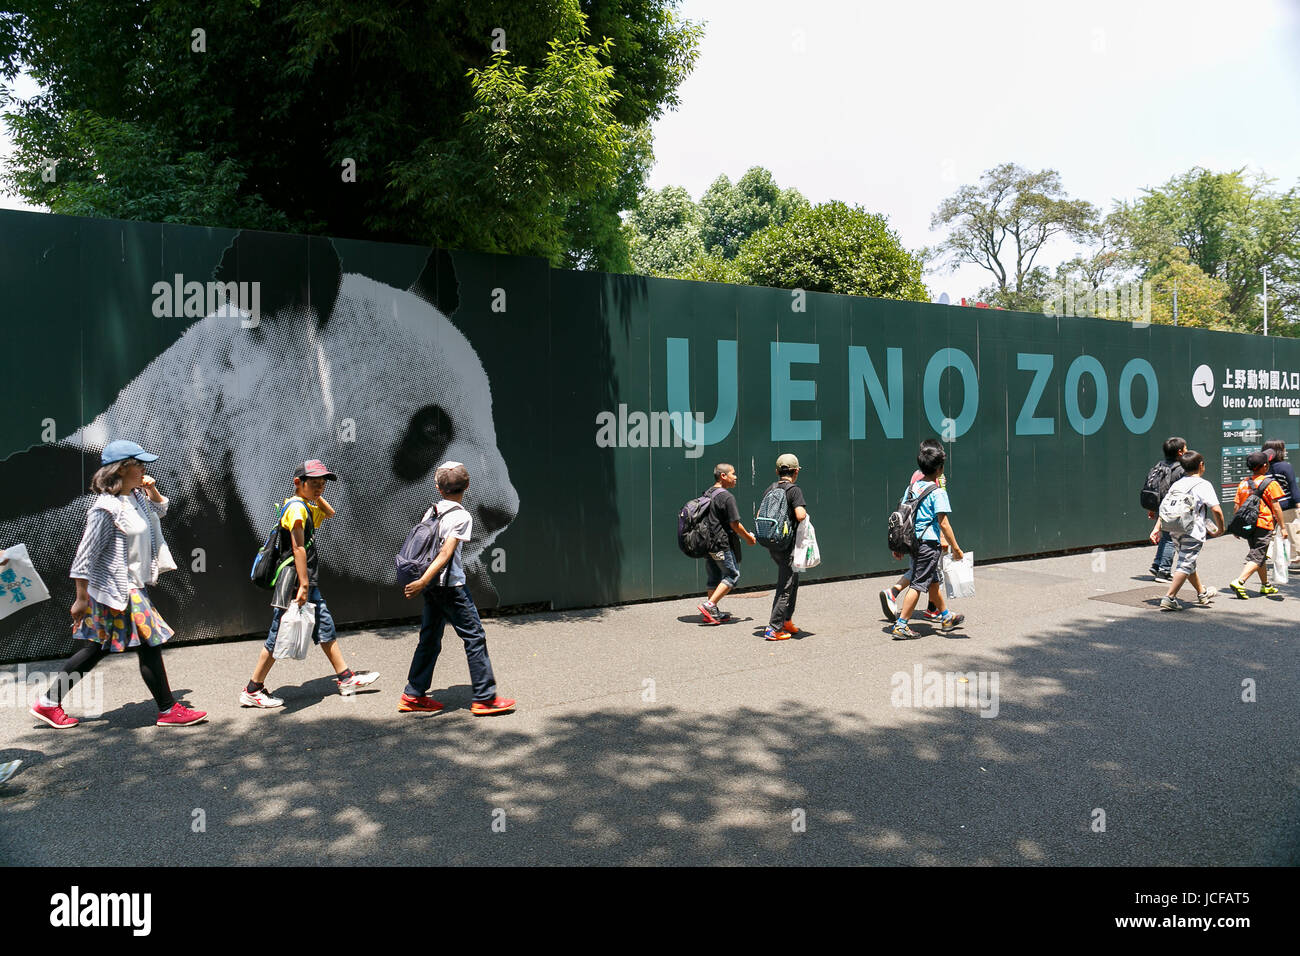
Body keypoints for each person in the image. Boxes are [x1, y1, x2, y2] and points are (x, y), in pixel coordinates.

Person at [28, 440, 207, 729]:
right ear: (122, 469)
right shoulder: (105, 508)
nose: (144, 468)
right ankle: (168, 709)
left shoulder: (136, 497)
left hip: (130, 587)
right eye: (139, 464)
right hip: (116, 590)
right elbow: (84, 557)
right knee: (149, 643)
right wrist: (81, 599)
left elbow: (159, 512)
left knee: (95, 648)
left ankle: (48, 703)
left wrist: (152, 489)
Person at [240, 461, 378, 707]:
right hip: (295, 582)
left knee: (325, 628)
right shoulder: (296, 509)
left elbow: (329, 513)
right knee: (278, 634)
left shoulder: (302, 505)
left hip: (305, 582)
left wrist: (315, 495)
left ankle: (345, 678)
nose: (320, 488)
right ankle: (253, 689)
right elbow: (298, 547)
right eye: (314, 483)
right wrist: (303, 585)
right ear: (298, 483)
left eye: (323, 484)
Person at [400, 462, 516, 715]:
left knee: (429, 639)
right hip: (450, 587)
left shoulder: (430, 512)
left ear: (438, 488)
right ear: (467, 486)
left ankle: (413, 694)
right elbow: (445, 554)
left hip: (432, 586)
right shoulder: (462, 516)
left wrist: (423, 581)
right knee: (474, 636)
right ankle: (485, 698)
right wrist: (422, 582)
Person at [891, 442, 966, 640]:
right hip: (928, 545)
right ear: (940, 469)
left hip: (914, 542)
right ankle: (901, 625)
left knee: (933, 582)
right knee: (917, 585)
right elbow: (944, 524)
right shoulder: (937, 492)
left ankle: (946, 617)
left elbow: (902, 513)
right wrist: (956, 549)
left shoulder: (912, 487)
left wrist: (899, 545)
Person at [880, 438, 947, 622]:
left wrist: (899, 545)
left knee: (931, 576)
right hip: (928, 540)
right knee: (919, 580)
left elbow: (904, 513)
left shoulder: (913, 483)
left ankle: (943, 614)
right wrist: (947, 541)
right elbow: (939, 519)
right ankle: (901, 619)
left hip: (914, 538)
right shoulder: (935, 486)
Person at [1148, 451, 1224, 610]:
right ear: (1201, 465)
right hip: (1193, 530)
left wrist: (1157, 529)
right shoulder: (1204, 485)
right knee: (1185, 563)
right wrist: (1220, 529)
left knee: (1189, 562)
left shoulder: (1177, 484)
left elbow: (1166, 508)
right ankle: (1169, 597)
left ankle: (1202, 593)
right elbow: (1216, 510)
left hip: (1175, 529)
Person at [698, 463, 758, 624]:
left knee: (714, 577)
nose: (736, 476)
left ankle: (711, 613)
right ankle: (710, 605)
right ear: (723, 476)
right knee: (732, 575)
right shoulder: (726, 496)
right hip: (721, 543)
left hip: (708, 544)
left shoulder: (708, 493)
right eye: (733, 473)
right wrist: (749, 538)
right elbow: (734, 524)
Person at [1227, 451, 1290, 599]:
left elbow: (1237, 507)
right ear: (1265, 466)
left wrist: (1237, 527)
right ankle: (1239, 581)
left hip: (1248, 525)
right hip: (1264, 523)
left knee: (1258, 553)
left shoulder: (1243, 483)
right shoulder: (1270, 483)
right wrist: (1283, 527)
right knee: (1258, 555)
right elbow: (1276, 507)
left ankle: (1265, 585)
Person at [761, 454, 808, 641]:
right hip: (788, 545)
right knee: (785, 586)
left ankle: (787, 620)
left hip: (773, 542)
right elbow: (800, 515)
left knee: (793, 581)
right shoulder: (794, 490)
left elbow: (760, 514)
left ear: (777, 471)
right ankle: (773, 628)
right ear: (796, 472)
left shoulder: (770, 489)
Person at [1145, 437, 1186, 581]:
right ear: (1180, 452)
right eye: (1185, 448)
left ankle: (1157, 565)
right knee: (1170, 539)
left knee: (1166, 536)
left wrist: (1152, 508)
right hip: (1172, 508)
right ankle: (1164, 570)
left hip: (1159, 505)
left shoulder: (1160, 465)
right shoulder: (1181, 469)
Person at [1263, 440, 1300, 569]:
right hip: (1287, 505)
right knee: (1292, 532)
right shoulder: (1286, 466)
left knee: (1270, 532)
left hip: (1270, 506)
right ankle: (1296, 559)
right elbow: (1293, 487)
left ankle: (1263, 554)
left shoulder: (1264, 468)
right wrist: (1298, 503)